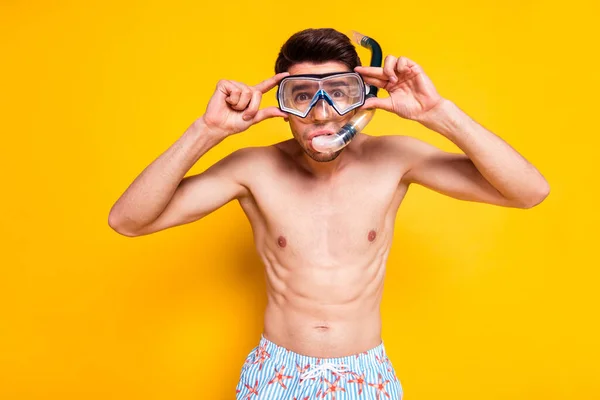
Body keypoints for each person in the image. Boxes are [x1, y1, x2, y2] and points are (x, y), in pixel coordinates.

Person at [108, 28, 550, 399]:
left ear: (361, 100)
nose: (322, 114)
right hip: (275, 373)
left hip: (365, 375)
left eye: (339, 94)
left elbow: (529, 191)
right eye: (302, 97)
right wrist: (206, 132)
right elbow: (127, 220)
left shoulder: (395, 159)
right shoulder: (253, 169)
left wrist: (440, 115)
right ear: (282, 107)